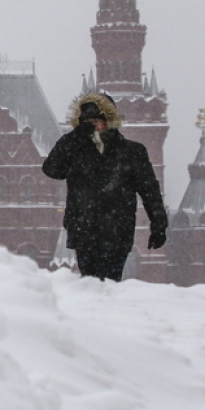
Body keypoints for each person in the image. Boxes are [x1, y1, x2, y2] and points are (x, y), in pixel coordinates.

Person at [42, 93, 168, 281]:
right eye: (88, 121)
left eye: (98, 120)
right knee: (90, 282)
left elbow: (149, 190)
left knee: (109, 281)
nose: (94, 125)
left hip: (117, 229)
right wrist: (75, 136)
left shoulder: (132, 151)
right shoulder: (76, 150)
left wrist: (158, 224)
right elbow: (52, 169)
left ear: (110, 120)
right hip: (83, 229)